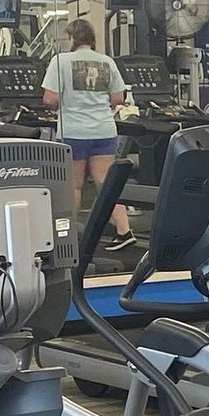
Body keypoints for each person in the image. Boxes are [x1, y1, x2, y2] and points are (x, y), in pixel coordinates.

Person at [43, 20, 137, 248]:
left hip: (74, 132)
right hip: (104, 130)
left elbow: (50, 99)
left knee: (74, 186)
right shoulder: (107, 62)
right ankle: (125, 231)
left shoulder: (60, 61)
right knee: (106, 184)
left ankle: (68, 238)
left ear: (73, 39)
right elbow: (118, 98)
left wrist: (62, 106)